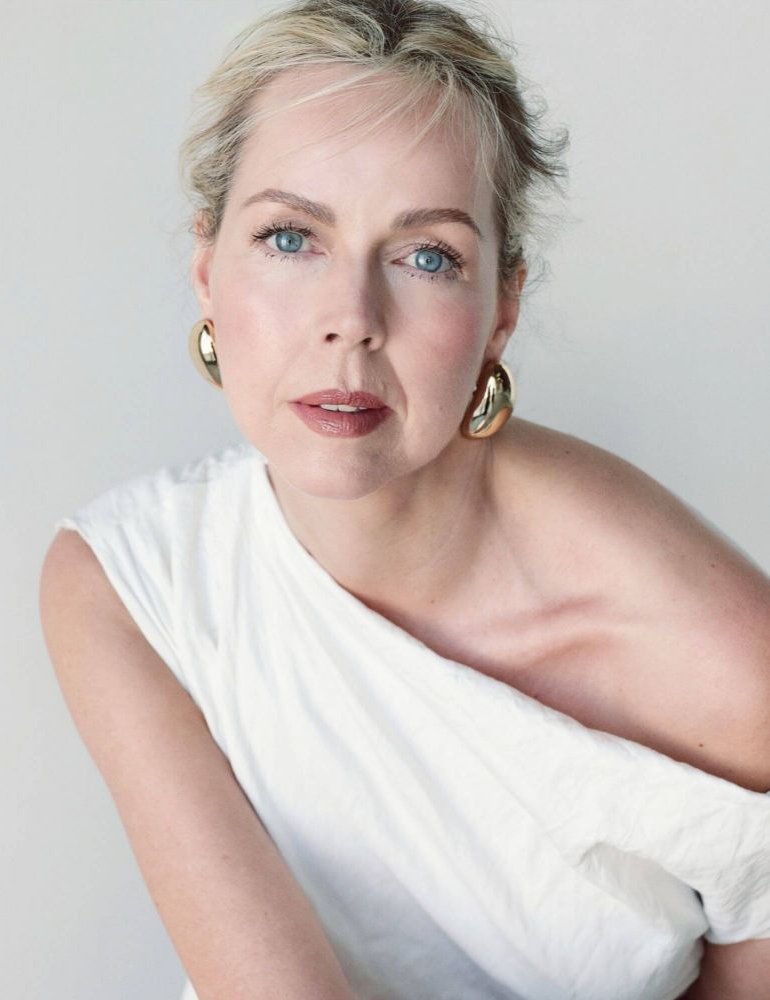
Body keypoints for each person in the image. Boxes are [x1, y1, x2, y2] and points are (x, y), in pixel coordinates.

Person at [39, 1, 770, 997]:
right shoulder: (132, 583)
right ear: (207, 274)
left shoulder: (723, 665)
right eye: (290, 237)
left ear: (500, 310)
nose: (351, 320)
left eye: (427, 256)